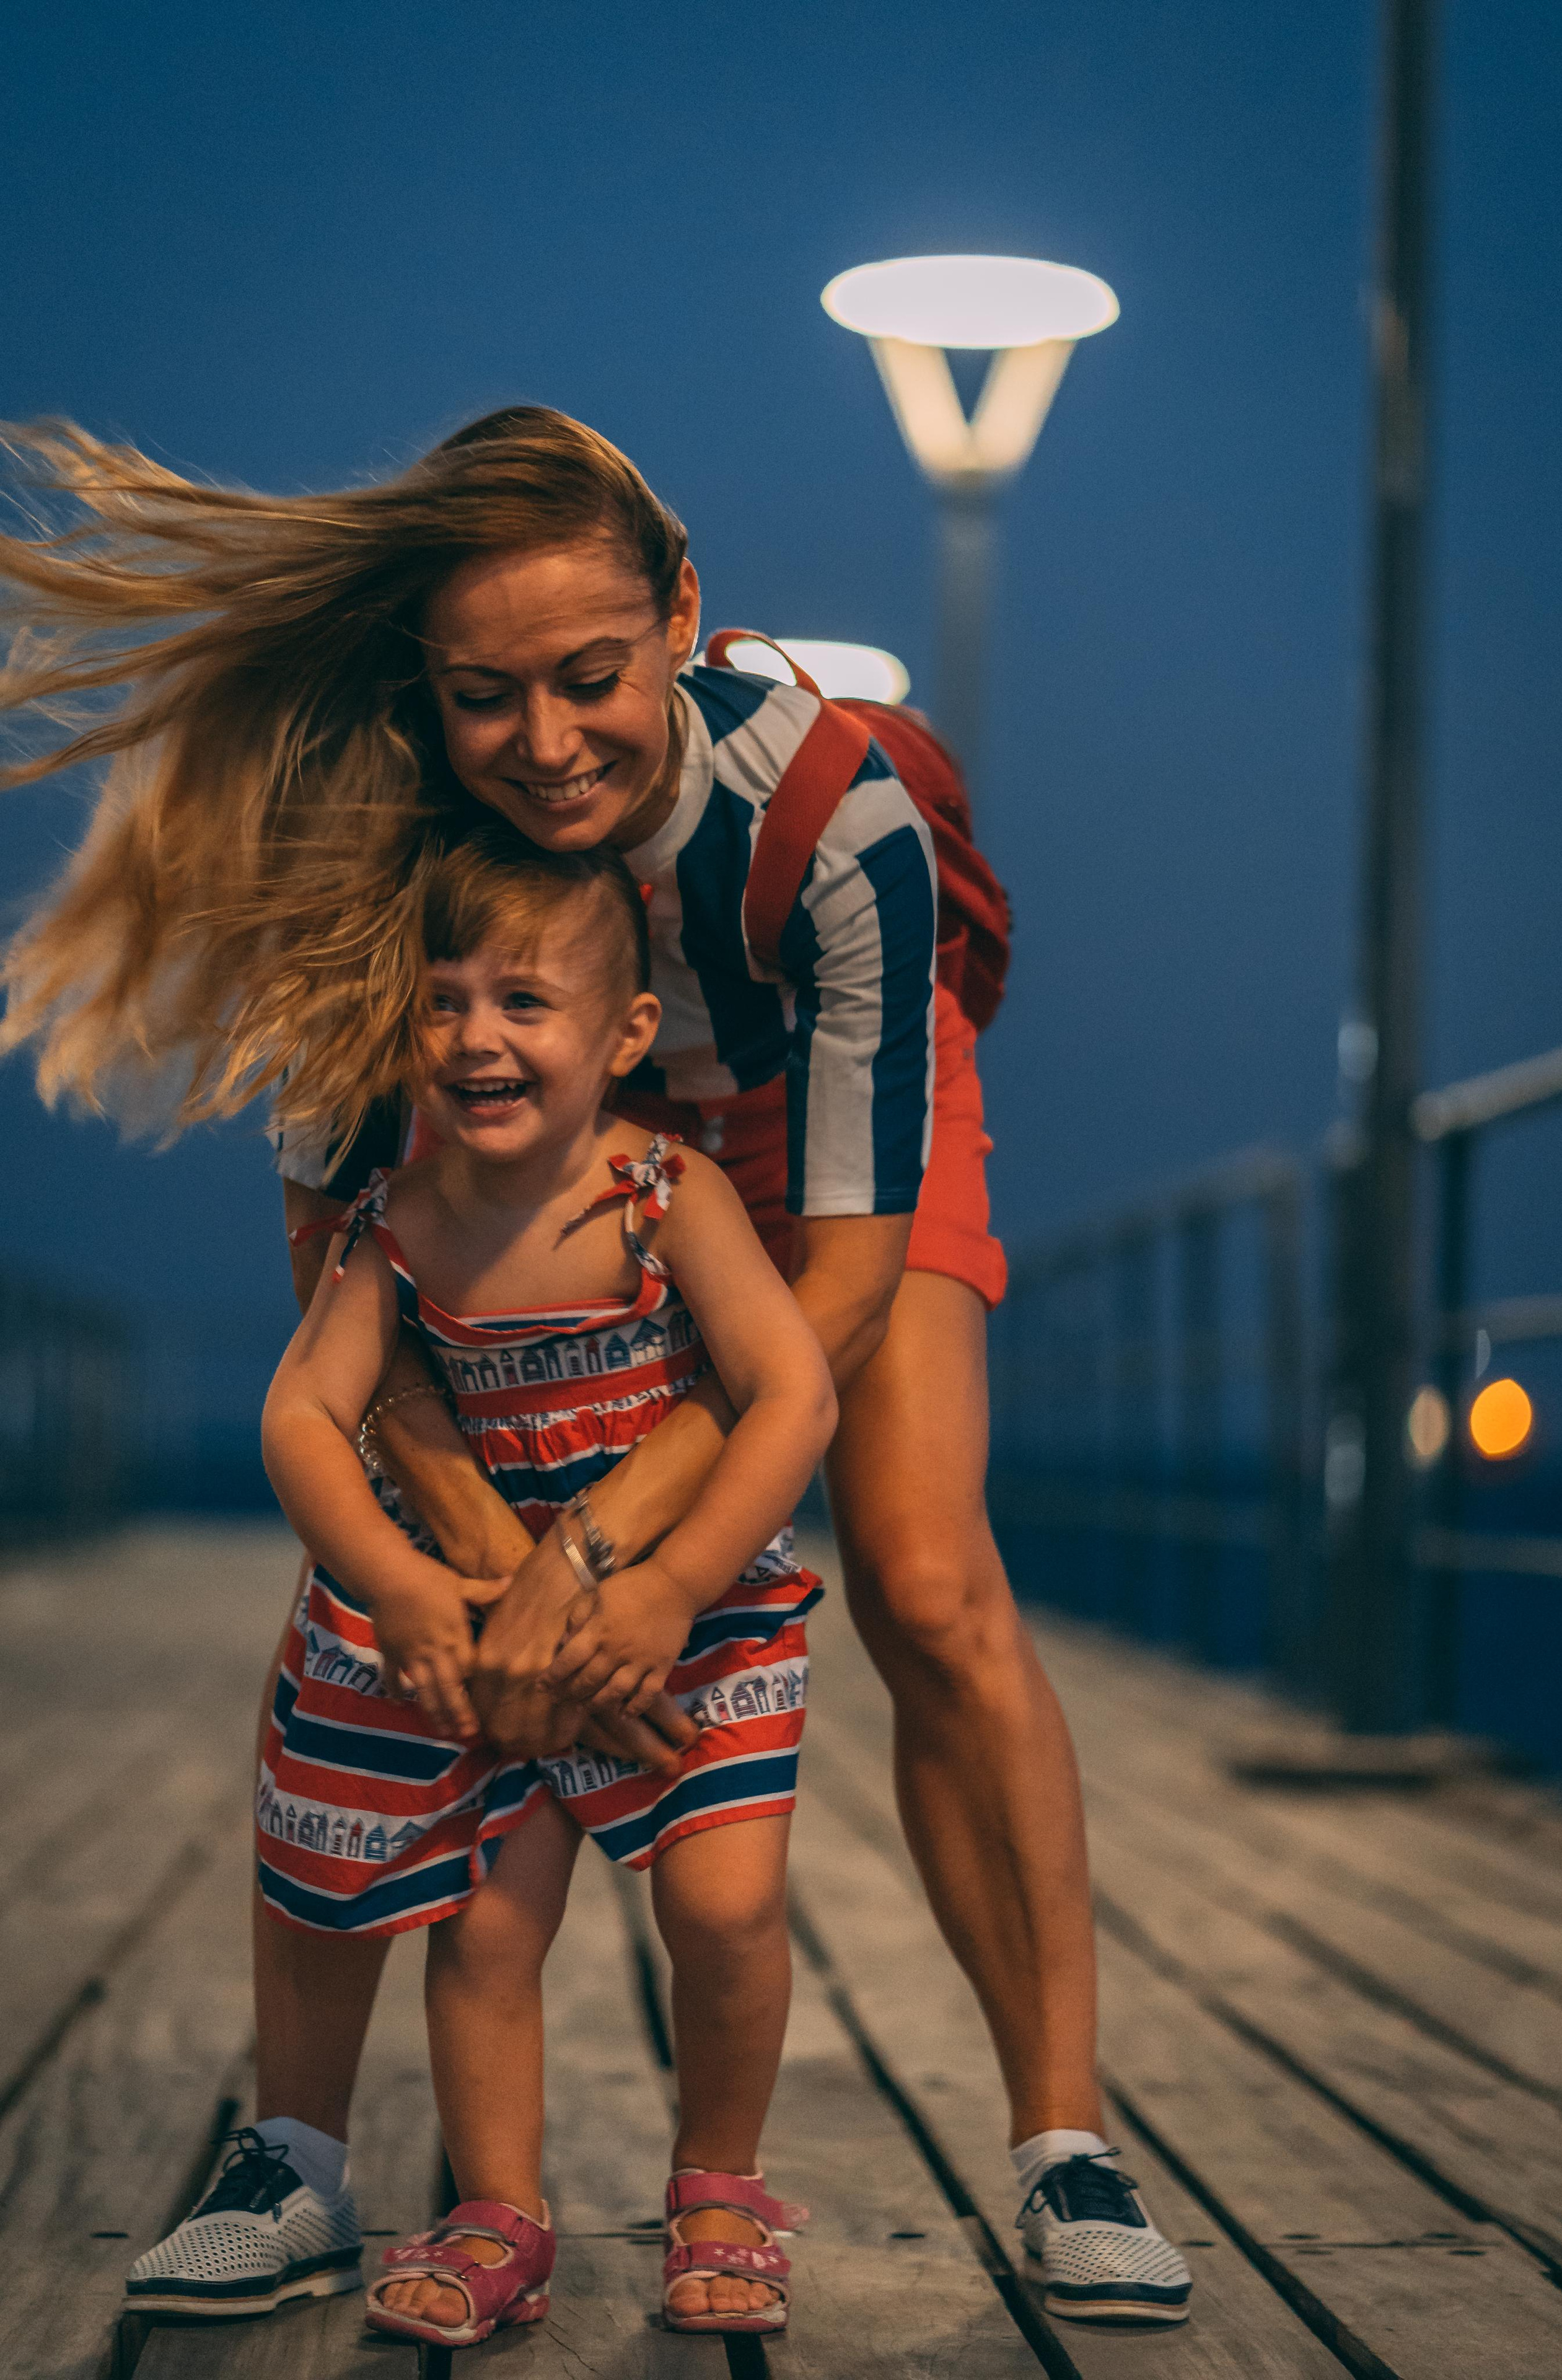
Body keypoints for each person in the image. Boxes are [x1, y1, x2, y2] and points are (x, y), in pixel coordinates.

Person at [0, 407, 1192, 2327]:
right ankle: (293, 2153)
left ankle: (1069, 2142)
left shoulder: (831, 821)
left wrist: (621, 1556)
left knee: (925, 1575)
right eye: (485, 695)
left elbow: (843, 1292)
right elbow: (341, 1275)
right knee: (364, 1613)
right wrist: (482, 1551)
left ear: (681, 616)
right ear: (428, 687)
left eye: (589, 676)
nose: (545, 742)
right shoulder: (373, 844)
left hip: (805, 1137)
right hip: (522, 1114)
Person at [147, 826, 835, 2343]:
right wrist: (393, 1581)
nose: (477, 1037)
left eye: (523, 1000)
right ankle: (496, 2214)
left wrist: (671, 1588)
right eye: (442, 1000)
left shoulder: (666, 1195)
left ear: (625, 1033)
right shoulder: (400, 1222)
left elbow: (790, 1394)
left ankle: (720, 2188)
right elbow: (302, 1415)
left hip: (689, 1619)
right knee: (485, 1924)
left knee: (725, 1907)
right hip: (480, 1616)